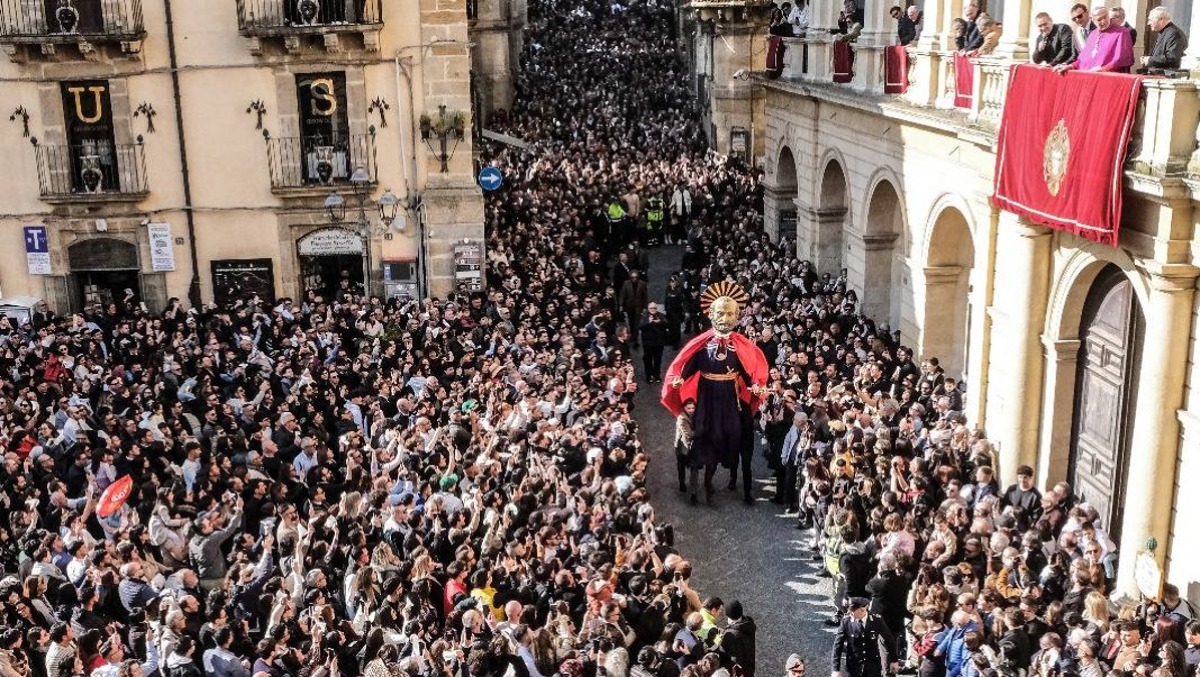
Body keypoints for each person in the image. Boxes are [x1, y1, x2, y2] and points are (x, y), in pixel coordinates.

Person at [663, 282, 768, 506]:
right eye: (720, 313)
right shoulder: (702, 346)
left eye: (730, 313)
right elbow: (688, 367)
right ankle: (696, 474)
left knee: (733, 431)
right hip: (707, 395)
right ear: (711, 314)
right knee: (702, 432)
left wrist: (754, 385)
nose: (725, 318)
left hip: (729, 397)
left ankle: (729, 464)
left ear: (737, 315)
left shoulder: (740, 347)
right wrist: (679, 380)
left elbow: (747, 371)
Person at [1055, 6, 1134, 73]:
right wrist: (1070, 66)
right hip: (1089, 76)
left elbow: (1121, 59)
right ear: (1093, 20)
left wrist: (1103, 69)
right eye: (1099, 19)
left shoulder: (1122, 32)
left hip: (1108, 78)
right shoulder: (1093, 34)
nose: (1103, 21)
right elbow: (1082, 60)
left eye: (1105, 17)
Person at [831, 598, 898, 677]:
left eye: (853, 613)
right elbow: (838, 645)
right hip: (854, 666)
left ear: (863, 609)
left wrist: (894, 660)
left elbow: (889, 640)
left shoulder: (876, 621)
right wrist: (835, 669)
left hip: (873, 666)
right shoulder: (846, 622)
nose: (851, 615)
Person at [1140, 7, 1188, 73]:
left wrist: (1150, 60)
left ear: (1161, 19)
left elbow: (1172, 58)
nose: (1148, 23)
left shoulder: (1174, 33)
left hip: (1165, 78)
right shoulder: (1164, 32)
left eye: (1151, 20)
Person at [719, 601, 756, 677]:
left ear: (729, 617)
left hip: (738, 670)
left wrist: (721, 637)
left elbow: (722, 650)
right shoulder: (748, 622)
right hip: (749, 665)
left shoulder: (731, 634)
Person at [641, 302, 668, 383]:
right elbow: (640, 326)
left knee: (658, 360)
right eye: (651, 308)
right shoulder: (644, 316)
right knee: (648, 360)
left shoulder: (661, 315)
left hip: (659, 343)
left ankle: (657, 375)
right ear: (648, 309)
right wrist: (648, 322)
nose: (653, 310)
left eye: (655, 308)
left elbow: (667, 324)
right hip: (648, 343)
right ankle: (649, 376)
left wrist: (660, 322)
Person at [675, 400, 696, 493]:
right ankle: (682, 483)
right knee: (681, 467)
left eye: (693, 408)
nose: (691, 410)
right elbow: (689, 434)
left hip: (691, 446)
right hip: (682, 447)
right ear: (684, 408)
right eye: (689, 408)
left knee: (694, 468)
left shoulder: (694, 415)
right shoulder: (681, 418)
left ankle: (693, 490)